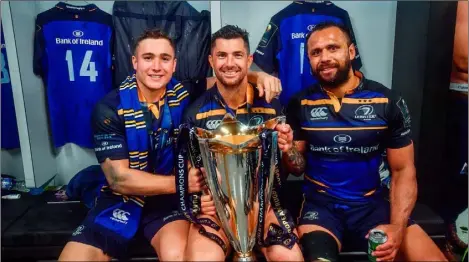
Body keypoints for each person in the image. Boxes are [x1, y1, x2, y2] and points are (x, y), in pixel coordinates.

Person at [58, 28, 282, 261]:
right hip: (123, 198)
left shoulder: (183, 92)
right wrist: (185, 184)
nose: (156, 67)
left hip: (167, 204)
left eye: (164, 59)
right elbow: (119, 180)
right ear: (134, 62)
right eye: (148, 58)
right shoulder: (110, 108)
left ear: (174, 65)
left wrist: (258, 76)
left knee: (176, 256)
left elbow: (227, 76)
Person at [284, 21, 448, 261]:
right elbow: (296, 167)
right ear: (309, 60)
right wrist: (288, 149)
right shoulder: (300, 104)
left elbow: (403, 170)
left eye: (333, 48)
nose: (325, 57)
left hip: (373, 204)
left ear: (351, 52)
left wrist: (398, 228)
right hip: (321, 206)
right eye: (316, 52)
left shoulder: (386, 101)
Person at [182, 25, 304, 261]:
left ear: (248, 60)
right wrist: (199, 195)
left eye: (237, 55)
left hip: (266, 205)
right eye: (222, 55)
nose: (230, 63)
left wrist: (289, 149)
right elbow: (191, 172)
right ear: (211, 60)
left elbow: (297, 168)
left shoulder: (271, 106)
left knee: (290, 258)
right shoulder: (195, 112)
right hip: (217, 210)